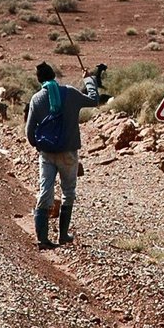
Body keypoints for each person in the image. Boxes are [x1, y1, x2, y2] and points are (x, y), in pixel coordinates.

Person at [24, 61, 105, 249]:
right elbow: (94, 100)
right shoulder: (70, 92)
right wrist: (89, 80)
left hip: (47, 154)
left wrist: (40, 146)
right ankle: (63, 236)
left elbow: (29, 132)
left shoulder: (36, 99)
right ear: (54, 76)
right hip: (68, 152)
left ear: (39, 80)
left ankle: (42, 240)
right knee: (68, 193)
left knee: (45, 191)